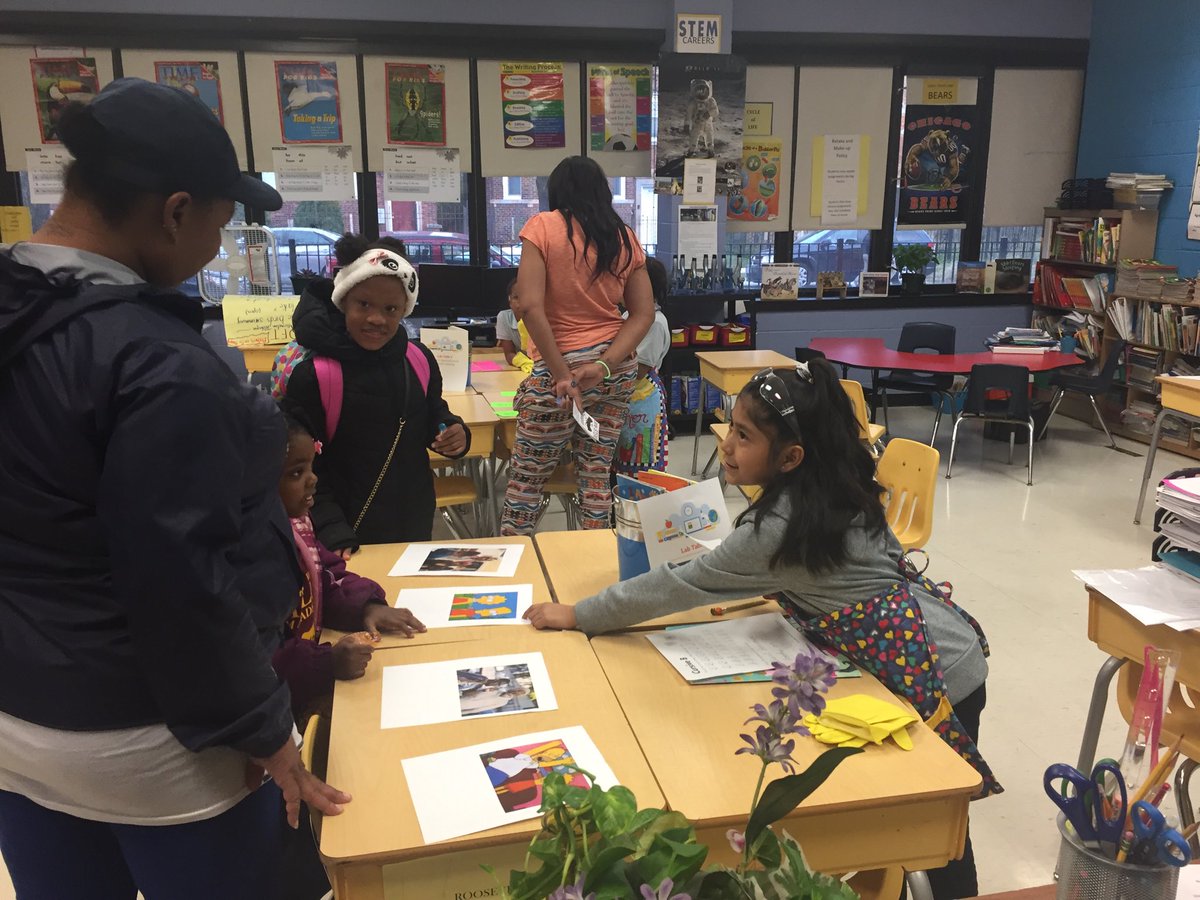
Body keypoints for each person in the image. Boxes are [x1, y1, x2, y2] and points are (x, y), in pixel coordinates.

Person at [0, 78, 347, 900]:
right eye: (220, 227)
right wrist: (268, 732)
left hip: (18, 719)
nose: (216, 248)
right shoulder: (153, 364)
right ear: (174, 211)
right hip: (155, 737)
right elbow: (180, 578)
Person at [525, 359, 995, 898]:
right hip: (944, 645)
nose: (726, 444)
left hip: (938, 674)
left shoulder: (778, 529)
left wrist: (580, 613)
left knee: (934, 822)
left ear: (791, 457)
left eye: (743, 436)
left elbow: (682, 584)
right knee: (929, 812)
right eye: (731, 425)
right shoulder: (834, 491)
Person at [282, 242, 470, 554]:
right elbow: (305, 468)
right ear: (344, 302)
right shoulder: (315, 376)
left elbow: (433, 415)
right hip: (344, 534)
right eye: (364, 304)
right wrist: (333, 531)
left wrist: (453, 432)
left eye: (390, 309)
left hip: (413, 520)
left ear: (404, 311)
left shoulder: (418, 360)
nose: (376, 319)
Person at [501, 155, 655, 534]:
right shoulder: (623, 237)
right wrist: (603, 366)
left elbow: (531, 306)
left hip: (562, 369)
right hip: (613, 368)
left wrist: (561, 376)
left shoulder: (542, 227)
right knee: (597, 474)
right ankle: (597, 568)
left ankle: (513, 567)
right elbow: (642, 314)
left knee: (527, 478)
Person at [273, 414, 426, 723]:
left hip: (301, 691)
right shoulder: (253, 556)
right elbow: (262, 658)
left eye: (311, 467)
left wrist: (365, 607)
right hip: (278, 711)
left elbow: (325, 575)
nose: (313, 479)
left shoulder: (296, 524)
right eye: (296, 473)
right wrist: (326, 664)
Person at [614, 256, 672, 475]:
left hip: (642, 399)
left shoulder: (655, 323)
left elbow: (639, 370)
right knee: (620, 464)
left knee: (641, 471)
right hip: (626, 397)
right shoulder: (630, 315)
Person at [495, 276, 534, 374]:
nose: (521, 302)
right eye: (516, 297)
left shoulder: (542, 318)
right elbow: (509, 354)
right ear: (509, 300)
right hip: (524, 369)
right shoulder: (504, 317)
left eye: (526, 297)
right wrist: (523, 362)